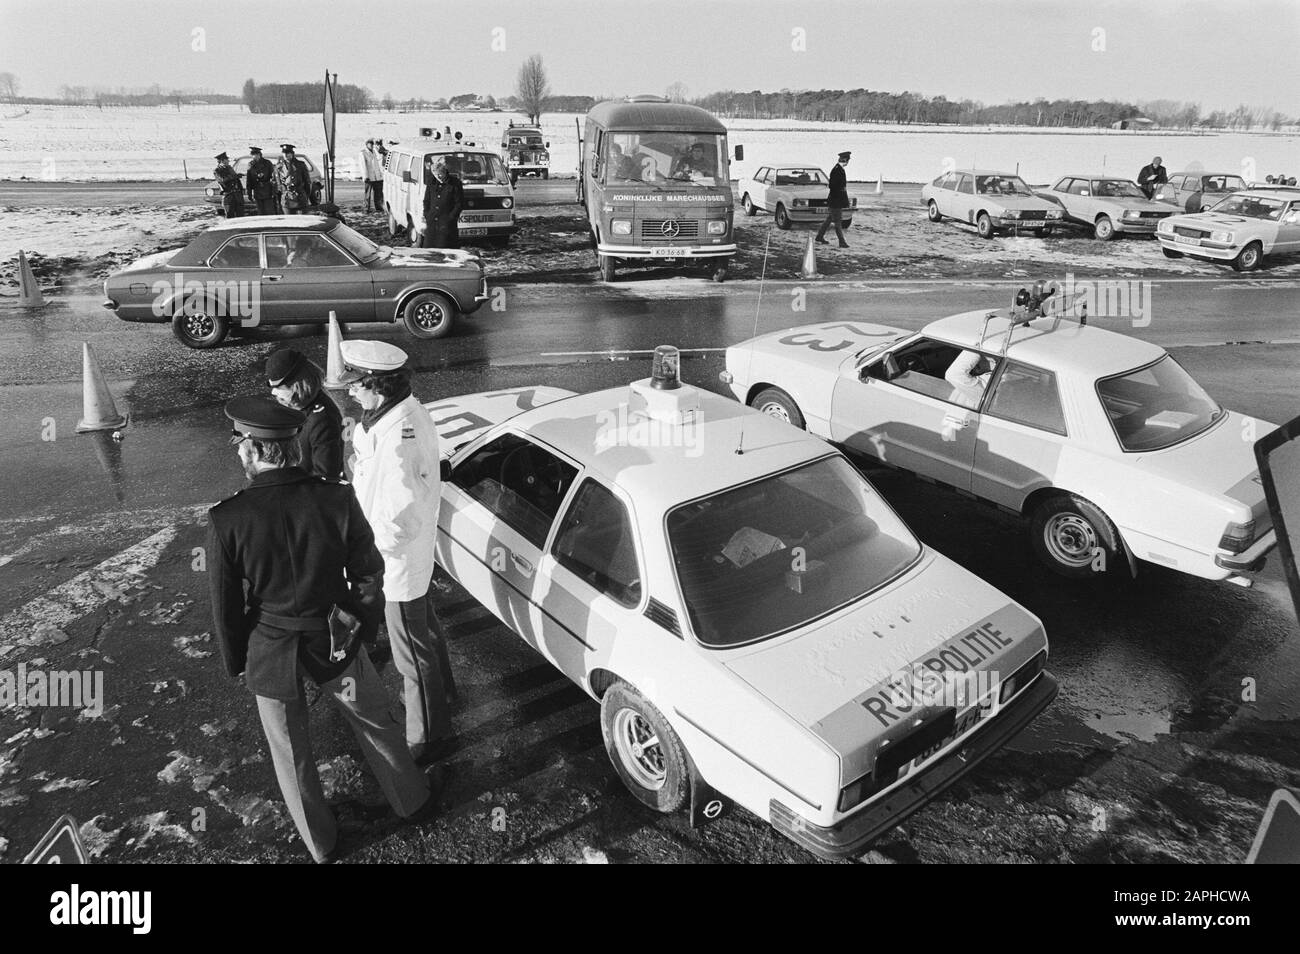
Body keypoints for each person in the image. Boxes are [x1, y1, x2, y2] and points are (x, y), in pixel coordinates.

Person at [207, 395, 437, 864]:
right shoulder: (335, 498)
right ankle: (412, 800)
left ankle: (320, 843)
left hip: (270, 650)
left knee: (290, 752)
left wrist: (237, 662)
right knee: (377, 726)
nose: (238, 452)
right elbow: (370, 575)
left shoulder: (227, 518)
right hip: (334, 639)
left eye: (239, 445)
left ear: (253, 451)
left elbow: (225, 606)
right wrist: (358, 628)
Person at [340, 341, 458, 765]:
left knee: (410, 650)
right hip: (399, 556)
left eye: (356, 385)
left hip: (396, 560)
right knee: (422, 631)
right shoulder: (386, 418)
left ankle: (428, 737)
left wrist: (369, 555)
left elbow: (401, 513)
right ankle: (443, 696)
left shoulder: (400, 435)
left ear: (379, 385)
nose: (350, 392)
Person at [266, 347, 344, 479]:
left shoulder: (322, 421)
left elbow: (326, 477)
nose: (275, 394)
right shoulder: (300, 405)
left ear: (299, 385)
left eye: (280, 388)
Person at [421, 156, 464, 249]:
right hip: (432, 221)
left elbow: (459, 204)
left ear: (445, 172)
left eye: (440, 174)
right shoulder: (431, 182)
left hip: (447, 223)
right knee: (430, 249)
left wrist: (451, 218)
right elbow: (427, 200)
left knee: (447, 249)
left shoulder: (455, 183)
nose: (438, 177)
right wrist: (427, 214)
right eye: (436, 175)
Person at [816, 150, 852, 248]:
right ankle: (842, 241)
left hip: (835, 199)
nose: (848, 162)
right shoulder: (837, 170)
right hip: (835, 200)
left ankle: (819, 236)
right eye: (847, 160)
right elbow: (834, 186)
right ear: (844, 160)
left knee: (830, 219)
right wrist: (841, 199)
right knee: (838, 222)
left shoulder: (838, 169)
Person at [275, 143, 313, 214]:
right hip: (286, 199)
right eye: (284, 153)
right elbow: (278, 185)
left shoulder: (300, 165)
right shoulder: (279, 167)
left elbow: (307, 182)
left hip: (300, 198)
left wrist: (305, 196)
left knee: (303, 221)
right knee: (289, 222)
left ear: (292, 154)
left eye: (288, 153)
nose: (286, 155)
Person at [245, 145, 277, 214]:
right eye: (253, 155)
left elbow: (273, 177)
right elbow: (249, 180)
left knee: (269, 212)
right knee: (260, 212)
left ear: (260, 155)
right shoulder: (250, 165)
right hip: (257, 191)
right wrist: (249, 193)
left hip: (267, 191)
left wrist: (274, 191)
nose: (255, 156)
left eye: (256, 154)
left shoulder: (267, 163)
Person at [213, 152, 244, 218]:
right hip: (228, 196)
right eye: (226, 160)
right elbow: (222, 180)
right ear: (222, 161)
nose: (228, 161)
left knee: (240, 215)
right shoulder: (217, 170)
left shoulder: (229, 168)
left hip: (237, 195)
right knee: (230, 215)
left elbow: (236, 180)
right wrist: (234, 176)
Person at [360, 138, 384, 213]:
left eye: (372, 144)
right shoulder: (363, 153)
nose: (371, 145)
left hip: (377, 177)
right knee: (368, 194)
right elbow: (362, 165)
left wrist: (380, 175)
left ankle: (379, 207)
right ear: (367, 145)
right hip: (369, 177)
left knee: (378, 194)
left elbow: (378, 164)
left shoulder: (375, 152)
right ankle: (366, 208)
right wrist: (365, 176)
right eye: (370, 144)